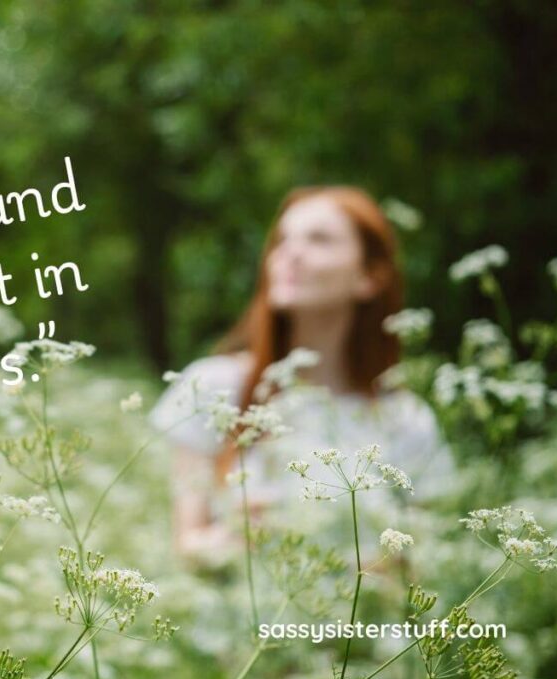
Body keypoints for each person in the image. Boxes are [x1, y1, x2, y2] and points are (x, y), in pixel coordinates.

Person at [149, 186, 453, 567]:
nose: (290, 253)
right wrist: (236, 539)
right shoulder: (214, 387)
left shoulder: (406, 420)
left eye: (319, 239)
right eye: (282, 240)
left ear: (369, 277)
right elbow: (187, 549)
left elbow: (417, 574)